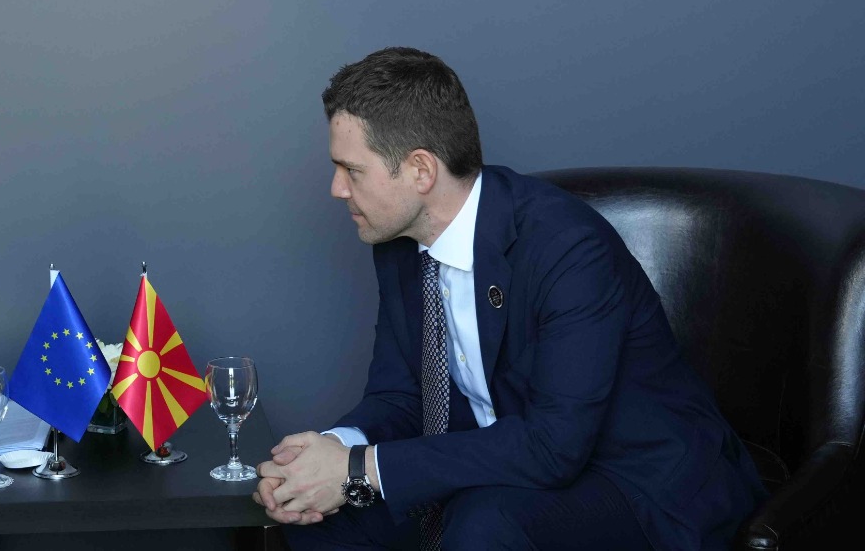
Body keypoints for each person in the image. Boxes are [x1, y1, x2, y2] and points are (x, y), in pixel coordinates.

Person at [256, 47, 764, 550]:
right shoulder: (397, 241)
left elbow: (555, 444)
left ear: (420, 170)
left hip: (638, 480)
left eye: (352, 170)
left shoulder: (568, 247)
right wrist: (329, 455)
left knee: (485, 523)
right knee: (317, 517)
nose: (337, 189)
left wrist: (358, 469)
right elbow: (401, 396)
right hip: (504, 468)